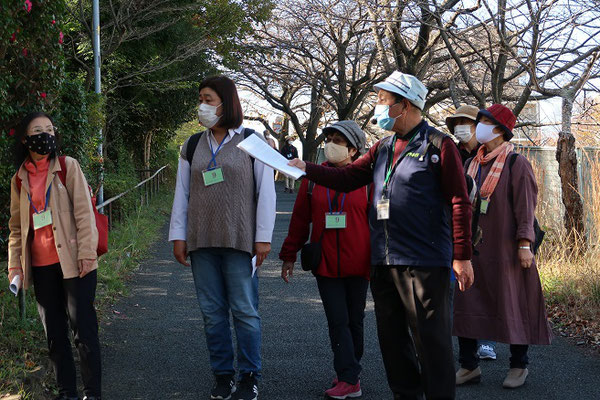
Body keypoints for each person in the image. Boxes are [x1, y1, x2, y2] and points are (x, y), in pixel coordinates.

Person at [289, 71, 474, 400]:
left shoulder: (439, 145)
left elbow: (460, 201)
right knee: (392, 342)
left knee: (430, 342)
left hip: (425, 261)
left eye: (382, 100)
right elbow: (347, 179)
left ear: (404, 105)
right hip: (384, 260)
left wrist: (462, 256)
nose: (377, 107)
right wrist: (307, 169)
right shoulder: (382, 147)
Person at [169, 75, 276, 400]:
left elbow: (267, 193)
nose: (202, 105)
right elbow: (182, 194)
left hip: (240, 240)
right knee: (212, 313)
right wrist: (178, 235)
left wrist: (263, 238)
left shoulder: (251, 140)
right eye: (200, 98)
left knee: (244, 310)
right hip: (201, 241)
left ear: (226, 103)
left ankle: (249, 376)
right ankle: (222, 375)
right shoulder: (192, 145)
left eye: (208, 98)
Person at [453, 104, 553, 389]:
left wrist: (525, 244)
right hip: (474, 248)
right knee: (467, 301)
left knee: (513, 303)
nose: (477, 127)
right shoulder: (472, 163)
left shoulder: (515, 163)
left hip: (507, 249)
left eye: (483, 122)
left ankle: (519, 365)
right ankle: (469, 365)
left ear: (499, 129)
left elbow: (525, 206)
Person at [7, 112, 102, 400]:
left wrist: (87, 253)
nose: (45, 135)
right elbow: (15, 227)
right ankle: (67, 392)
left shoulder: (66, 166)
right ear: (25, 139)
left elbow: (85, 213)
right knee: (55, 334)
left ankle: (92, 393)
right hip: (41, 265)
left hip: (75, 261)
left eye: (49, 129)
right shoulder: (19, 178)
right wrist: (15, 265)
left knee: (83, 330)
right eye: (38, 130)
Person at [279, 120, 370, 399]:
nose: (331, 144)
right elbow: (299, 220)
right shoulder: (313, 179)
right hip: (326, 262)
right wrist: (288, 255)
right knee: (338, 320)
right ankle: (348, 377)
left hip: (361, 262)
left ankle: (350, 371)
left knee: (355, 321)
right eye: (329, 138)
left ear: (354, 149)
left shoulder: (368, 180)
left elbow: (382, 220)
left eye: (338, 140)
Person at [446, 105, 496, 360]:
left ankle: (487, 342)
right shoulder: (449, 152)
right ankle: (466, 352)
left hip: (487, 228)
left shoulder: (492, 154)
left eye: (466, 122)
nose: (460, 128)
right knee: (462, 289)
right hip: (457, 225)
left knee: (485, 284)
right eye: (456, 123)